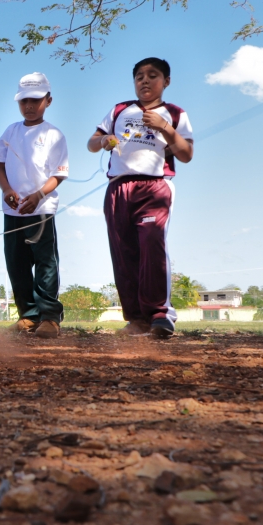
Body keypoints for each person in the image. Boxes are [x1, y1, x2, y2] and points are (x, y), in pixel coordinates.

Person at [87, 57, 194, 338]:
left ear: (166, 81)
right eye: (139, 76)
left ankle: (159, 314)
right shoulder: (120, 109)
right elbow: (92, 142)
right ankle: (135, 319)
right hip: (119, 189)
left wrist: (165, 128)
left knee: (151, 243)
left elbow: (186, 154)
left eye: (153, 75)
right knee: (123, 252)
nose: (145, 80)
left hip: (155, 188)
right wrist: (103, 141)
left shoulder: (174, 113)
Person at [0, 73, 69, 339]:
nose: (29, 106)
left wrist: (38, 196)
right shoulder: (10, 132)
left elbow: (57, 175)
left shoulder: (53, 134)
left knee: (45, 262)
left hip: (41, 210)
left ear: (48, 100)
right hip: (13, 210)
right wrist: (7, 191)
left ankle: (49, 317)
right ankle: (28, 315)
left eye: (36, 100)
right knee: (16, 263)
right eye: (24, 100)